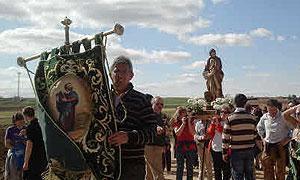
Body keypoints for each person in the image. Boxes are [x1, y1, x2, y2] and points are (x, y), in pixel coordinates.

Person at [107, 56, 157, 180]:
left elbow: (152, 133)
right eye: (116, 71)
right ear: (110, 74)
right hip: (105, 163)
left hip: (132, 167)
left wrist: (128, 137)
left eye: (124, 72)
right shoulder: (102, 98)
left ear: (131, 75)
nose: (119, 75)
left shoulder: (141, 100)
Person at [222, 93, 257, 180]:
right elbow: (255, 135)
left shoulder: (230, 118)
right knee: (249, 175)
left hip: (236, 151)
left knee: (237, 176)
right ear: (245, 103)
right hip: (249, 150)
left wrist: (224, 152)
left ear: (234, 103)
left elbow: (225, 137)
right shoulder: (252, 118)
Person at [257, 99, 294, 180]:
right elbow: (259, 128)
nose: (272, 112)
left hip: (280, 147)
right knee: (267, 170)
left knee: (280, 171)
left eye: (274, 110)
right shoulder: (264, 117)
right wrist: (263, 138)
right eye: (270, 110)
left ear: (277, 108)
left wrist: (287, 139)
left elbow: (292, 130)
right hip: (268, 146)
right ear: (267, 109)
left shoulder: (283, 117)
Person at [171, 107, 196, 180]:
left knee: (190, 167)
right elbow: (177, 133)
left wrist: (188, 122)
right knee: (180, 167)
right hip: (180, 146)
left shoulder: (191, 122)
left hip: (190, 146)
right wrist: (183, 124)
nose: (185, 116)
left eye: (186, 114)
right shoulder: (176, 122)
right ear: (179, 115)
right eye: (183, 114)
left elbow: (193, 133)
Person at [22, 106, 47, 180]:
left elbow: (29, 146)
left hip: (34, 157)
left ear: (26, 116)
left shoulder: (30, 127)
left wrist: (26, 162)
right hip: (42, 156)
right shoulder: (40, 124)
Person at [145, 96, 166, 180]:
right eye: (157, 104)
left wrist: (165, 144)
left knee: (150, 172)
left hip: (159, 145)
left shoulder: (162, 116)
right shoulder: (147, 115)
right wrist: (155, 128)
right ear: (152, 104)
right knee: (157, 171)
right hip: (149, 145)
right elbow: (145, 126)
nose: (160, 106)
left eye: (162, 104)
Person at [207, 107, 231, 180]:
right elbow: (209, 134)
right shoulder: (216, 121)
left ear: (229, 114)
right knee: (217, 170)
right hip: (215, 148)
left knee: (226, 171)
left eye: (225, 112)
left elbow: (224, 133)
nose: (223, 114)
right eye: (221, 112)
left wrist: (217, 125)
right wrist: (212, 124)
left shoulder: (229, 122)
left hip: (226, 149)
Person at [4, 112, 26, 180]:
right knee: (14, 174)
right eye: (18, 120)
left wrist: (23, 141)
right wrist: (15, 148)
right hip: (14, 153)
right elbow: (7, 144)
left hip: (25, 153)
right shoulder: (10, 130)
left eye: (22, 119)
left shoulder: (27, 129)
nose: (20, 121)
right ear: (15, 121)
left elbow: (30, 142)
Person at [283, 103, 300, 180]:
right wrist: (295, 107)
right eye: (297, 114)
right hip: (294, 156)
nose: (298, 116)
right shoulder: (296, 124)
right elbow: (285, 115)